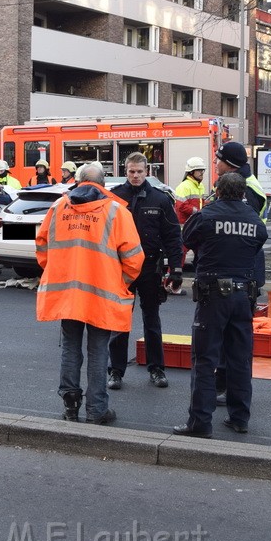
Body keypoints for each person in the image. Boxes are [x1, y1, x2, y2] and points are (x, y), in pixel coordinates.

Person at [36, 162, 144, 425]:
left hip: (68, 294)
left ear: (77, 181)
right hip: (102, 295)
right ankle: (97, 410)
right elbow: (134, 259)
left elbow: (42, 248)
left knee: (70, 348)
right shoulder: (117, 212)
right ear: (103, 184)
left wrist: (59, 273)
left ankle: (71, 406)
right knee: (98, 351)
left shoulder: (57, 208)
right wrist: (121, 283)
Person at [172, 173, 268, 438]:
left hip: (213, 295)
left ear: (218, 191)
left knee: (204, 359)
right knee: (239, 359)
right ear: (242, 193)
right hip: (244, 296)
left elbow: (188, 238)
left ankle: (200, 422)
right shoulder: (253, 218)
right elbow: (260, 239)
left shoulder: (207, 215)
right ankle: (239, 418)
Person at [108, 152, 183, 390]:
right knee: (119, 321)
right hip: (121, 269)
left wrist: (176, 268)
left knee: (152, 320)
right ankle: (116, 371)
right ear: (125, 170)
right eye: (131, 171)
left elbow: (172, 236)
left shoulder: (160, 199)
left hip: (150, 267)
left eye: (139, 171)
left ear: (147, 171)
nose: (135, 175)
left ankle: (156, 368)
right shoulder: (115, 197)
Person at [210, 141, 268, 404]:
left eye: (218, 159)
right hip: (241, 270)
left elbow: (245, 233)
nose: (215, 163)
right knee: (229, 335)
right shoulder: (244, 184)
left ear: (230, 164)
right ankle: (227, 387)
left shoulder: (245, 190)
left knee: (234, 337)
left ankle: (230, 389)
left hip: (241, 272)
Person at [174, 156, 208, 271]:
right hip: (185, 228)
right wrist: (199, 212)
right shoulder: (184, 186)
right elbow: (181, 206)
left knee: (202, 254)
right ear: (191, 172)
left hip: (196, 226)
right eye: (199, 170)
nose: (202, 173)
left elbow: (200, 202)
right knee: (179, 255)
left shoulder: (200, 186)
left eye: (202, 170)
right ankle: (171, 279)